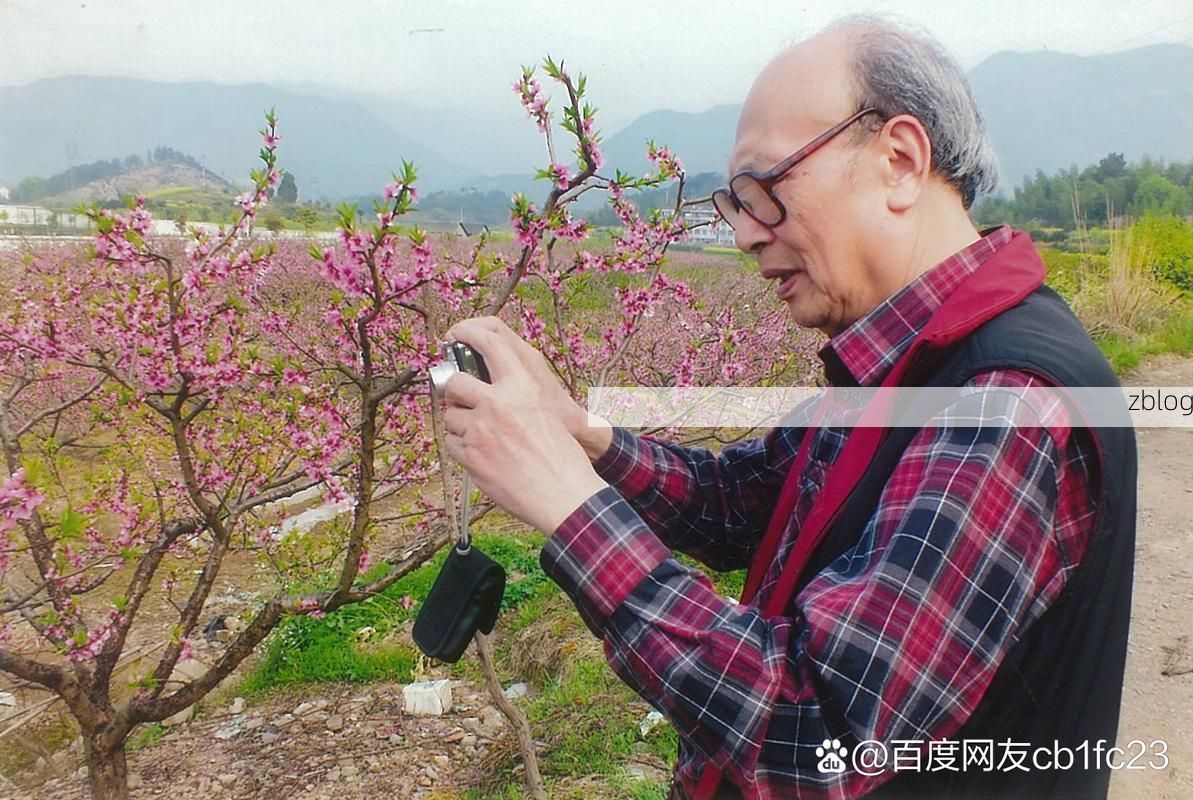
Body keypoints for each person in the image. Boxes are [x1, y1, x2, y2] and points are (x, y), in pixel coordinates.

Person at [440, 16, 1136, 800]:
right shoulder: (900, 363)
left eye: (764, 192)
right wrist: (579, 435)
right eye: (734, 202)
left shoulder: (1007, 401)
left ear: (899, 161)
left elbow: (819, 730)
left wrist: (568, 504)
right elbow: (741, 505)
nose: (743, 234)